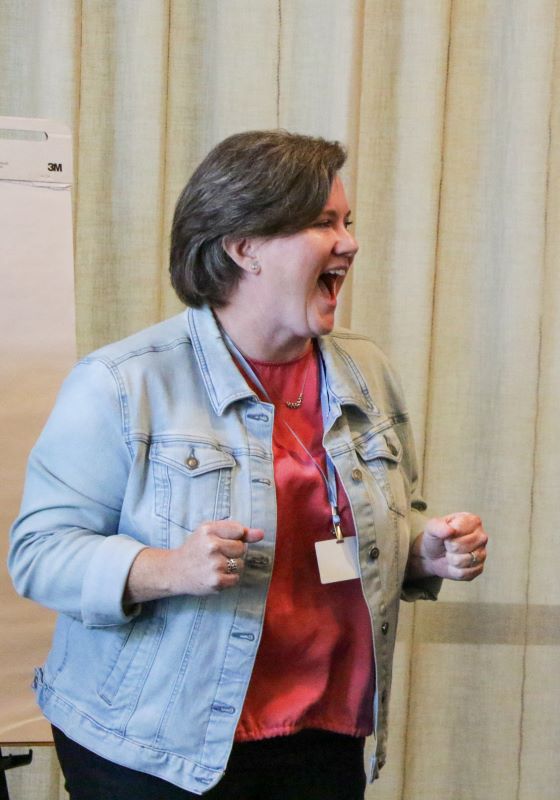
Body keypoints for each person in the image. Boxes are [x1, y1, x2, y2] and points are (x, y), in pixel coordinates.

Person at [9, 130, 488, 800]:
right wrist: (166, 568)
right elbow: (39, 552)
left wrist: (424, 549)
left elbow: (368, 523)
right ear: (244, 247)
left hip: (327, 730)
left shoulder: (366, 369)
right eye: (324, 223)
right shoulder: (123, 382)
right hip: (156, 750)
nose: (349, 242)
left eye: (347, 222)